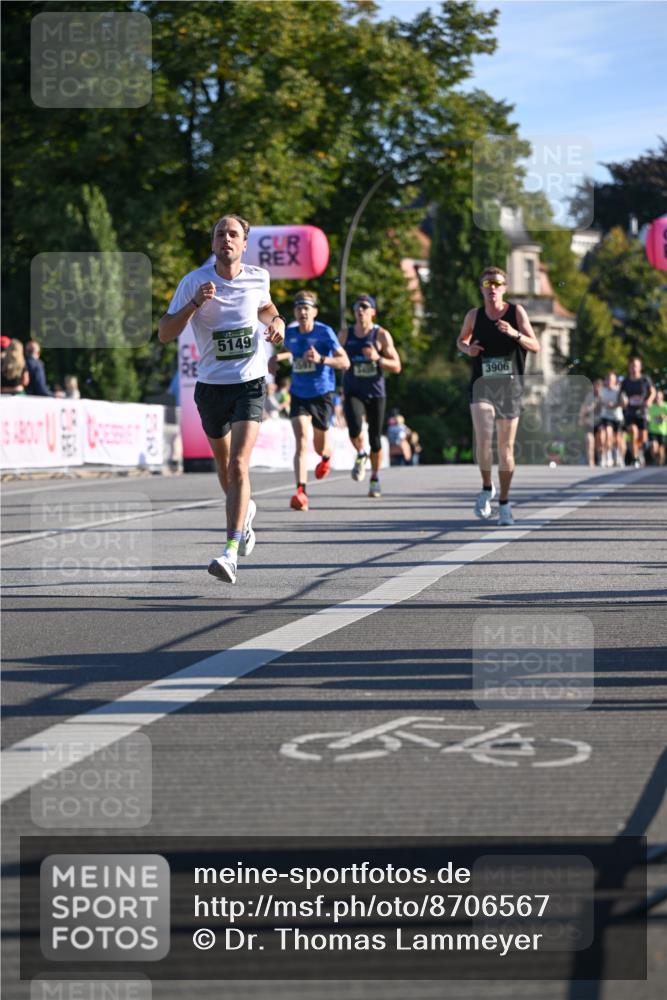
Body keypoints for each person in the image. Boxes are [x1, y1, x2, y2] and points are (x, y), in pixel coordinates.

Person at [158, 214, 286, 585]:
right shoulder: (193, 282)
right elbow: (165, 332)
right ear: (213, 243)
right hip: (211, 385)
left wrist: (277, 322)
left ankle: (230, 551)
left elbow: (266, 308)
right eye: (220, 234)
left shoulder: (258, 277)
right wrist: (194, 304)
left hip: (250, 382)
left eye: (233, 234)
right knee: (225, 464)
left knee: (239, 466)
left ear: (244, 244)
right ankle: (245, 513)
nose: (226, 239)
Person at [456, 266, 540, 525]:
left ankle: (504, 502)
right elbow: (461, 340)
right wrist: (467, 350)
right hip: (482, 385)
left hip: (509, 389)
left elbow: (535, 345)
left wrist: (514, 333)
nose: (492, 287)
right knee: (483, 439)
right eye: (487, 283)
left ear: (504, 288)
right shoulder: (474, 315)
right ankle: (486, 487)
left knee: (505, 450)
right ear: (481, 289)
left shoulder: (516, 312)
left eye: (497, 283)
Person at [273, 291, 349, 511]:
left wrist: (321, 359)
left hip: (322, 394)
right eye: (299, 308)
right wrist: (275, 357)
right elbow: (288, 351)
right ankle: (301, 492)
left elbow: (345, 362)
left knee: (319, 446)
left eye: (306, 308)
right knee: (302, 440)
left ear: (315, 311)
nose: (302, 312)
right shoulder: (290, 333)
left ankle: (325, 458)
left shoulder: (325, 332)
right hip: (298, 394)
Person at [339, 294, 401, 498]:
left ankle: (374, 478)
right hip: (353, 390)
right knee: (354, 428)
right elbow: (336, 357)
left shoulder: (381, 335)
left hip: (375, 392)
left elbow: (397, 366)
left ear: (373, 312)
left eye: (365, 307)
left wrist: (377, 358)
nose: (360, 310)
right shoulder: (345, 334)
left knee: (375, 439)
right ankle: (361, 453)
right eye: (357, 306)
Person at [619, 356, 655, 467]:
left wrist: (649, 400)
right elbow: (621, 394)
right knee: (633, 432)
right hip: (630, 412)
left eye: (636, 366)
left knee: (643, 439)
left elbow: (653, 392)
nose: (634, 368)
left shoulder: (645, 379)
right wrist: (623, 400)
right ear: (629, 367)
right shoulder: (625, 381)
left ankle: (639, 451)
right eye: (632, 366)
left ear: (640, 367)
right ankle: (635, 459)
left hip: (642, 411)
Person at [598, 372, 624, 467]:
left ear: (615, 381)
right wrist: (603, 404)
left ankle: (618, 456)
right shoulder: (602, 391)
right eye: (608, 379)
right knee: (607, 435)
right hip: (606, 416)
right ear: (605, 381)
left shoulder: (619, 391)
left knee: (617, 439)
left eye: (611, 380)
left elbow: (624, 403)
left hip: (617, 417)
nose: (609, 381)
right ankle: (608, 457)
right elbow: (600, 403)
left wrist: (614, 405)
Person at [647, 388, 667, 465]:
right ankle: (655, 459)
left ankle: (660, 463)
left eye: (659, 397)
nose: (657, 398)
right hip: (653, 430)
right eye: (656, 397)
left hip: (663, 431)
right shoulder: (652, 407)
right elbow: (649, 417)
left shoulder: (665, 406)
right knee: (653, 446)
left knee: (661, 449)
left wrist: (663, 417)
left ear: (662, 397)